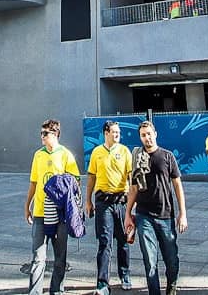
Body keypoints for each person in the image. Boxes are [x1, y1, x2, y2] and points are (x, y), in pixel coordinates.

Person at [124, 120, 187, 295]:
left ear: (155, 134)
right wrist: (128, 214)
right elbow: (134, 188)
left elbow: (177, 186)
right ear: (140, 137)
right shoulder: (137, 159)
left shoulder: (167, 156)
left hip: (166, 215)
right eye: (143, 135)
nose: (147, 138)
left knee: (171, 259)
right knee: (150, 261)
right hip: (144, 216)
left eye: (149, 134)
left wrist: (183, 214)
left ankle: (171, 287)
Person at [25, 119, 80, 295]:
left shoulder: (65, 154)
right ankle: (35, 292)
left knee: (60, 257)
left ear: (55, 134)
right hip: (40, 212)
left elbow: (75, 182)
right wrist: (28, 205)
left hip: (60, 214)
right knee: (38, 257)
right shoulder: (38, 155)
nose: (42, 136)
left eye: (45, 133)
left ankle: (57, 290)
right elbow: (33, 183)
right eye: (41, 133)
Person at [87, 121, 134, 294]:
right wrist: (88, 201)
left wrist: (132, 202)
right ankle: (102, 282)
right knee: (105, 241)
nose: (117, 135)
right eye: (114, 132)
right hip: (103, 202)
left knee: (123, 240)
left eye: (118, 132)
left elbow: (131, 177)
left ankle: (125, 274)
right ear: (105, 133)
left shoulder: (124, 151)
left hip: (121, 201)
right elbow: (91, 177)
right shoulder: (97, 152)